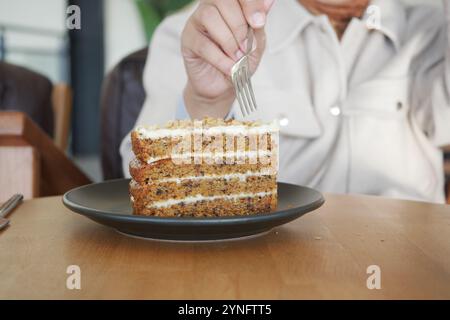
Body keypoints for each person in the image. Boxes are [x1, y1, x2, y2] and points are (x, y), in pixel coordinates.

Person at [120, 0, 450, 203]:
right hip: (262, 273)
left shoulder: (433, 29)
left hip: (408, 267)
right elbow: (149, 185)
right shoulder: (204, 31)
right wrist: (207, 104)